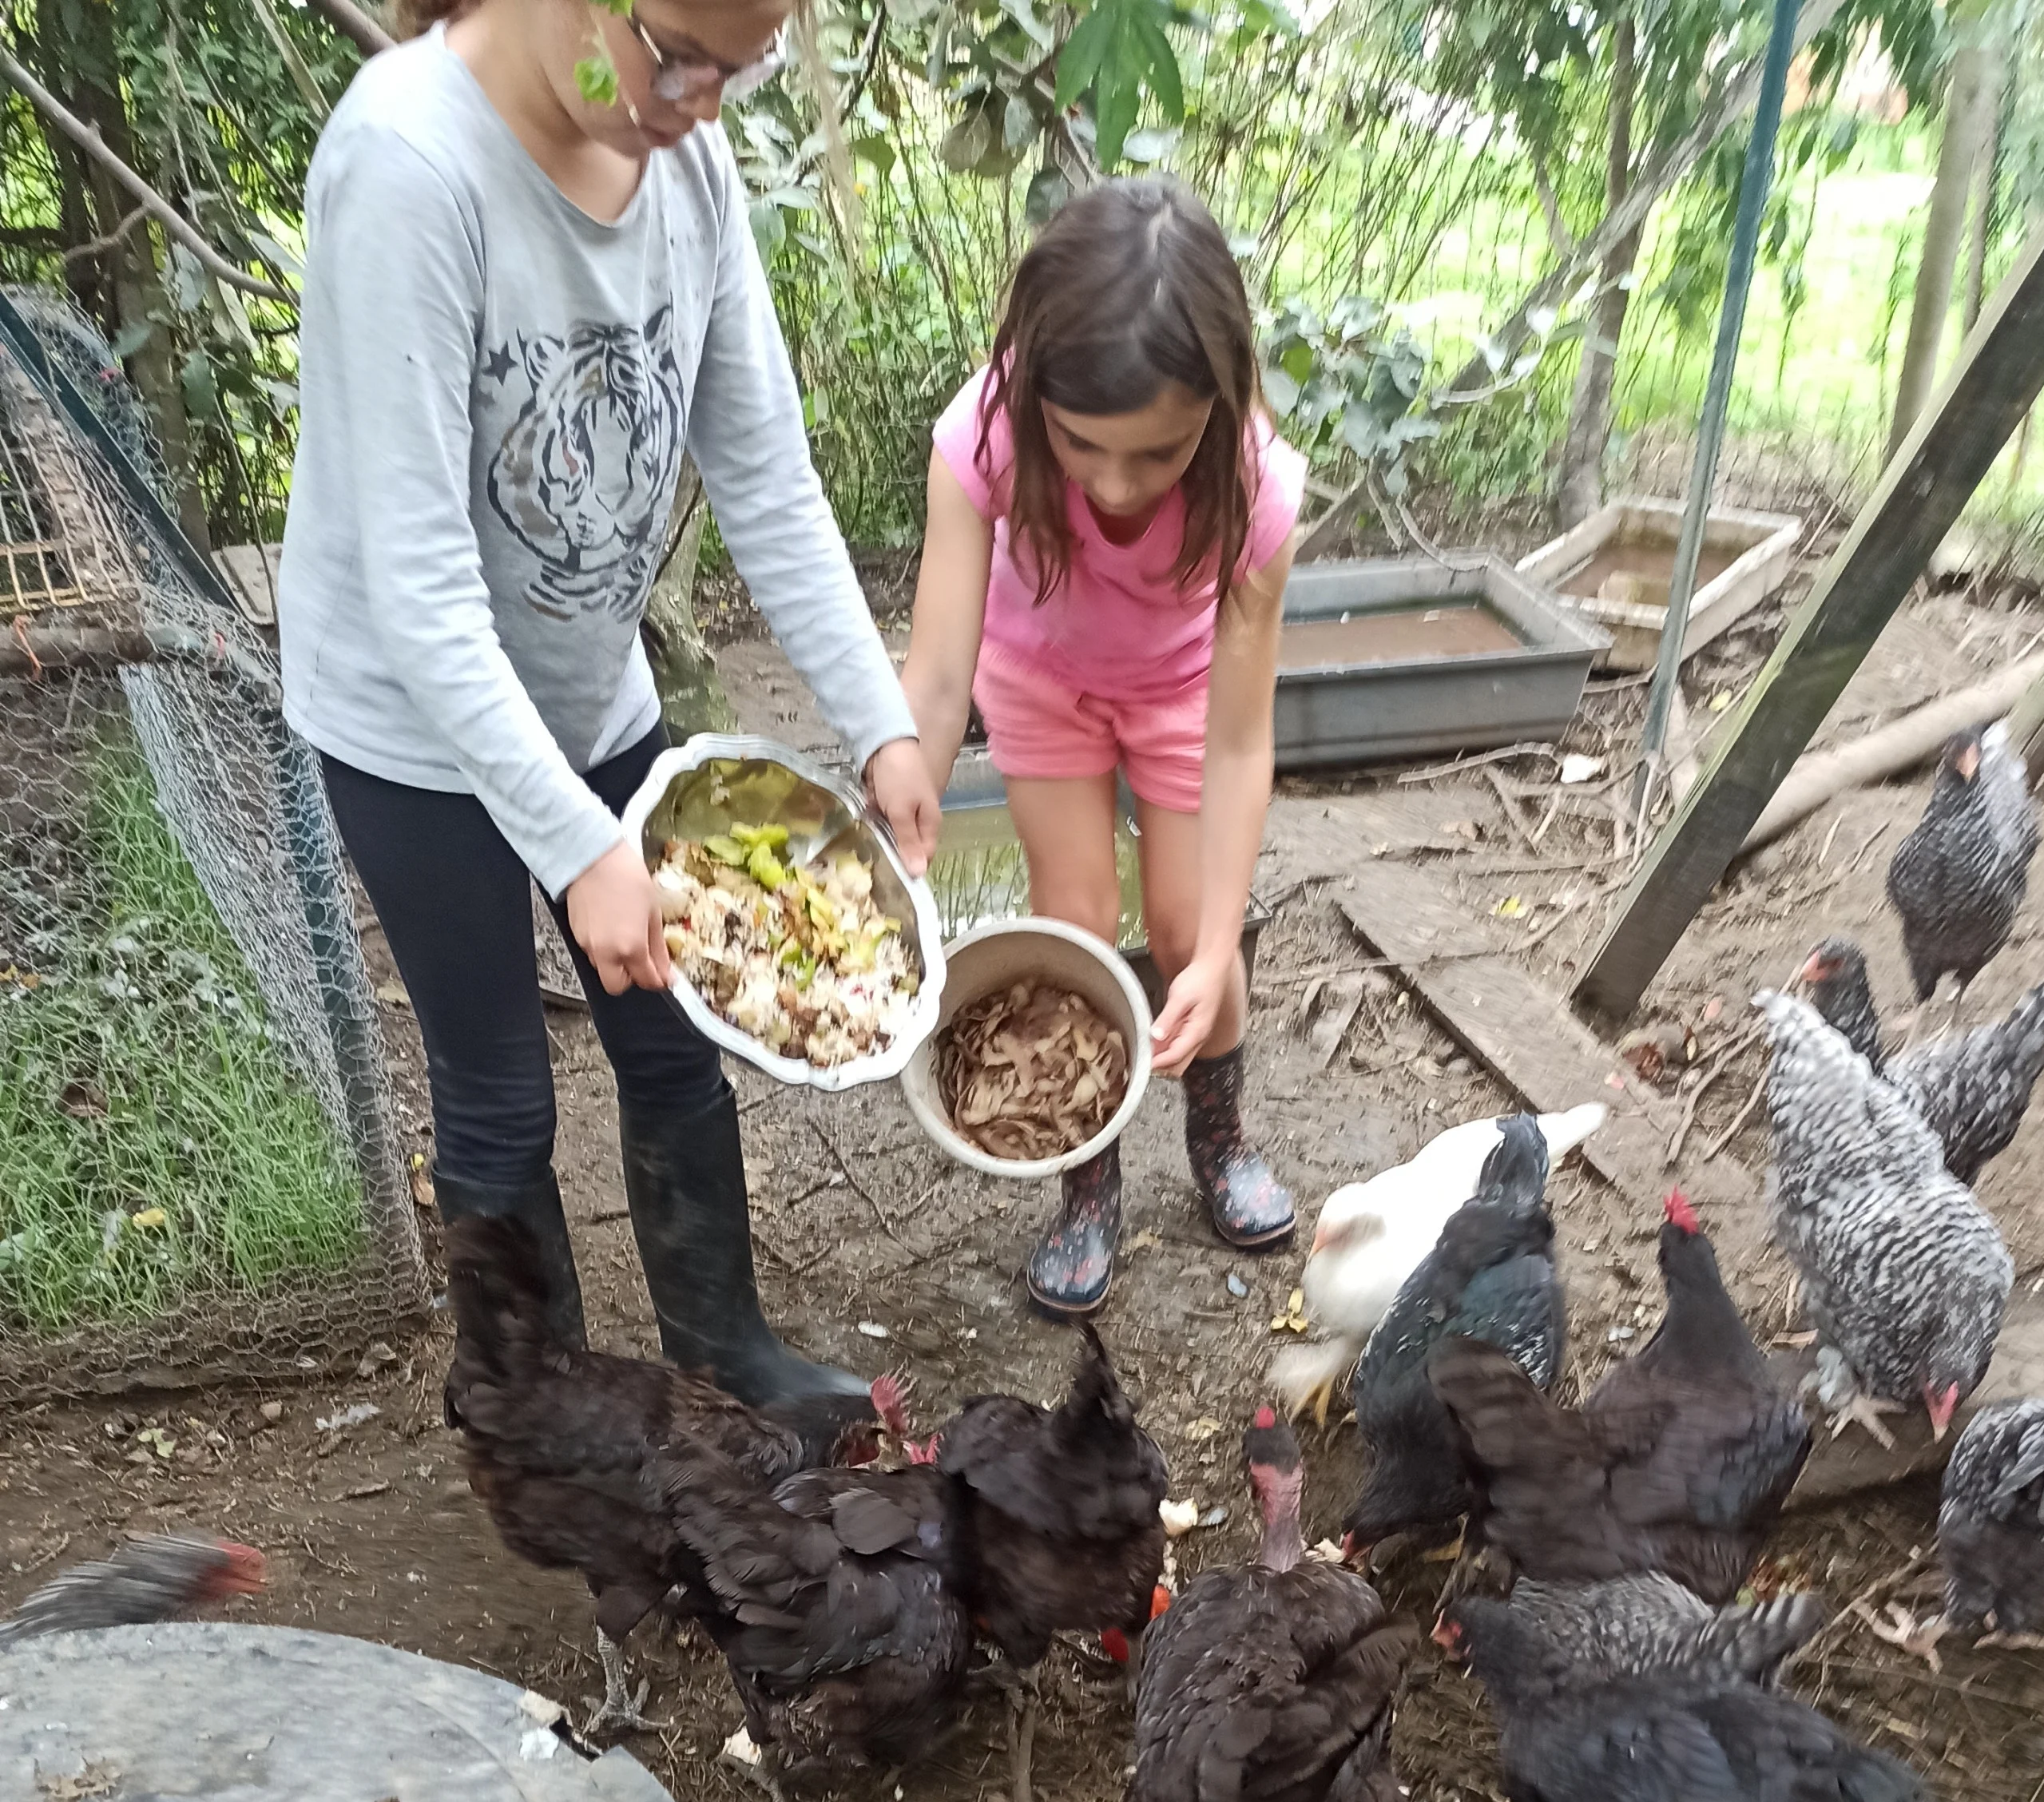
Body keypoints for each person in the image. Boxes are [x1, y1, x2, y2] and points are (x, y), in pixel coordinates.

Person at [279, 0, 938, 1445]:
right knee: (501, 1090)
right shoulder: (409, 164)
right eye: (675, 54)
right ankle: (549, 1423)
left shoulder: (685, 172)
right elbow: (419, 581)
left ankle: (724, 1352)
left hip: (589, 688)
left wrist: (880, 724)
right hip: (413, 726)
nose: (703, 101)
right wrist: (581, 850)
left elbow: (764, 471)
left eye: (742, 66)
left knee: (672, 1039)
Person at [902, 179, 1300, 1318]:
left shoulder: (1256, 489)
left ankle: (1218, 1139)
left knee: (1186, 939)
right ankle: (1086, 1184)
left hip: (1183, 692)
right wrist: (905, 824)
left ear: (1215, 413)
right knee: (1069, 926)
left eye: (1158, 454)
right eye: (1083, 447)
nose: (1117, 486)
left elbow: (1236, 742)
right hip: (1041, 684)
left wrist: (1221, 942)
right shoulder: (979, 435)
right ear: (1033, 395)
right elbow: (934, 676)